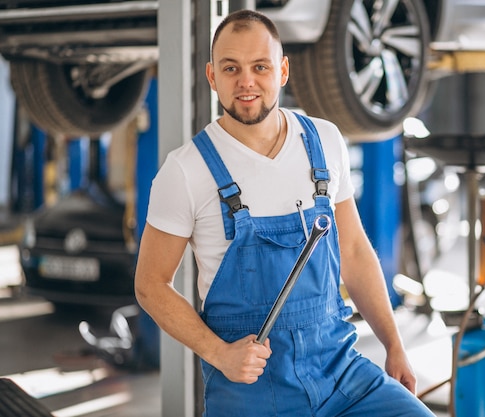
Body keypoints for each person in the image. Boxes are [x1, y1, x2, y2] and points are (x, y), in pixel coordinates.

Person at [134, 9, 435, 417]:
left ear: (283, 71)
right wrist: (219, 354)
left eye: (260, 66)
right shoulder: (186, 170)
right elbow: (151, 285)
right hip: (252, 389)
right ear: (211, 76)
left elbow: (354, 250)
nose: (246, 82)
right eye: (230, 68)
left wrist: (394, 344)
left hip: (341, 374)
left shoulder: (325, 141)